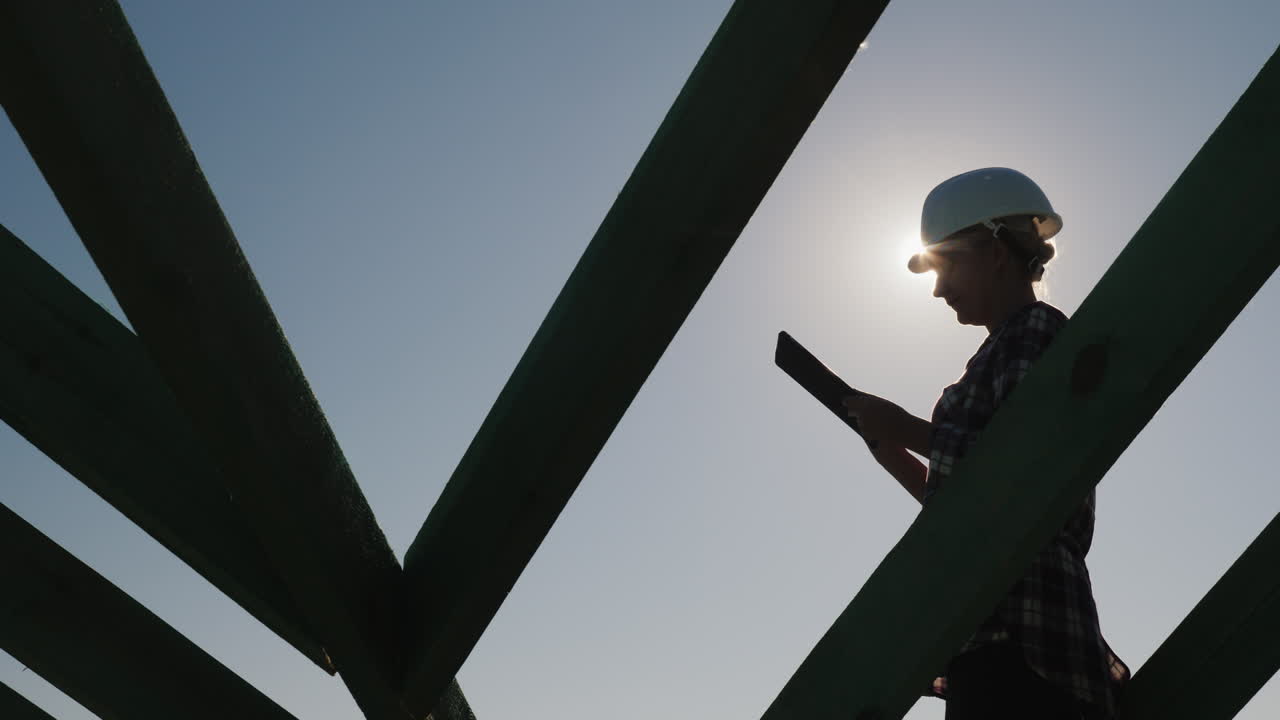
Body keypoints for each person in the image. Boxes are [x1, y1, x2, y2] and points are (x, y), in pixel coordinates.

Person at [840, 168, 1130, 719]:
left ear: (995, 252)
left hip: (1022, 639)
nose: (938, 288)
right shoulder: (1006, 348)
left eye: (943, 267)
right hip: (1003, 634)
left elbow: (1018, 477)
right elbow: (976, 501)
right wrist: (895, 454)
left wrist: (909, 429)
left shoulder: (1034, 333)